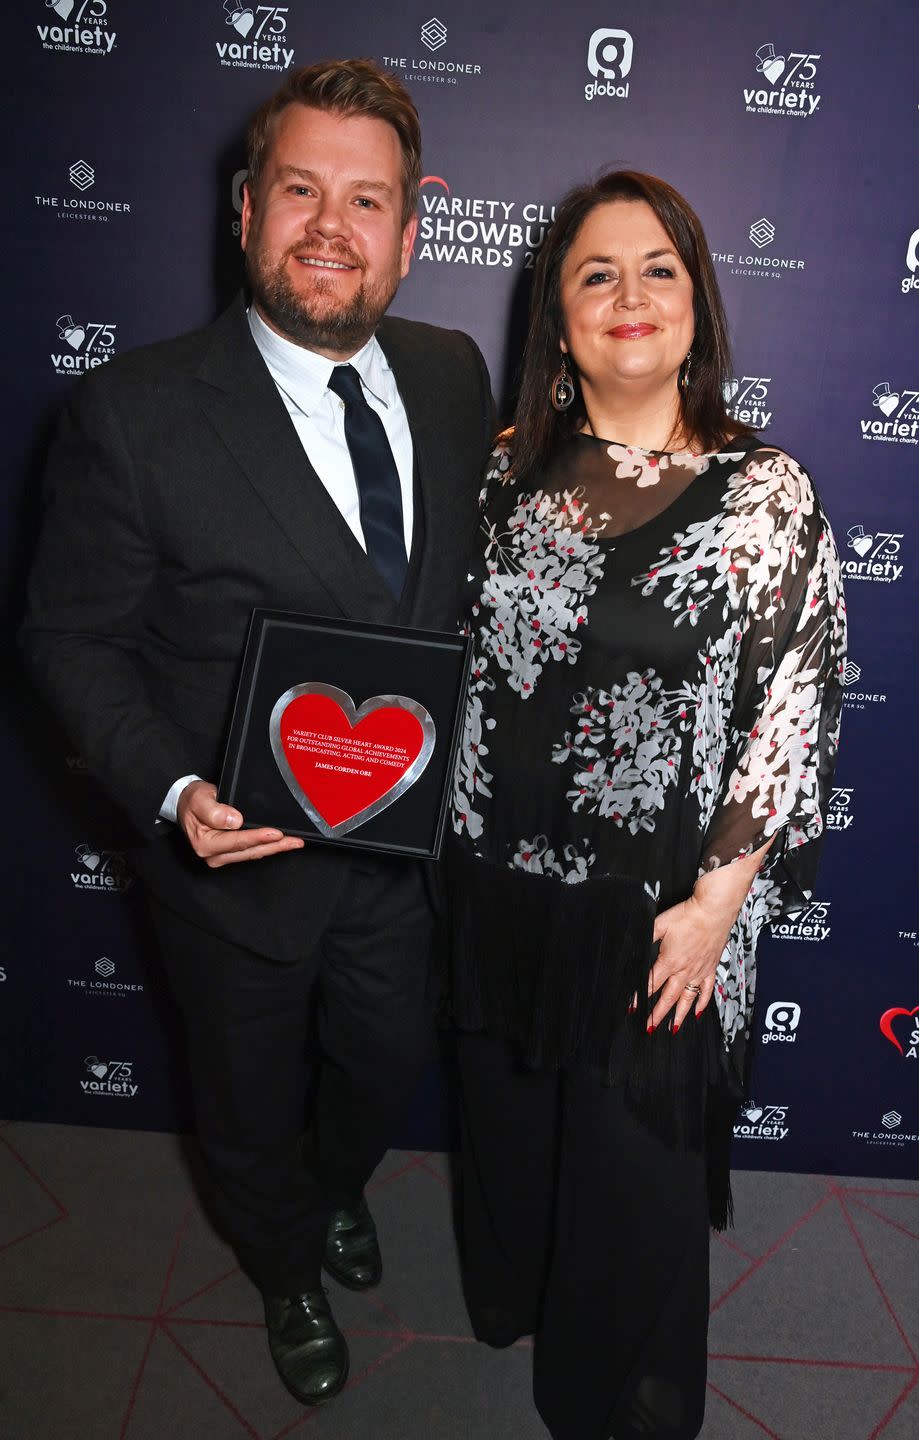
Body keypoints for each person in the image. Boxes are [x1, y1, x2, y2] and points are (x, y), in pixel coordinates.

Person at [22, 59, 492, 1407]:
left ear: (412, 232)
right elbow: (68, 639)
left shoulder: (451, 376)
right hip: (233, 862)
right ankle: (283, 1264)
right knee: (239, 1104)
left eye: (365, 199)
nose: (329, 226)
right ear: (244, 211)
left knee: (383, 1061)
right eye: (299, 191)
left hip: (400, 859)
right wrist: (173, 792)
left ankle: (330, 1188)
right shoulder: (133, 414)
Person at [448, 170, 845, 1440]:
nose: (630, 296)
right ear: (556, 321)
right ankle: (508, 1301)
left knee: (633, 1188)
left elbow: (796, 704)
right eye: (595, 274)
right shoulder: (498, 476)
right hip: (495, 890)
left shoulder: (764, 493)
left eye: (658, 269)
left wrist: (716, 908)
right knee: (512, 1148)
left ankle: (613, 1407)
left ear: (698, 306)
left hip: (661, 913)